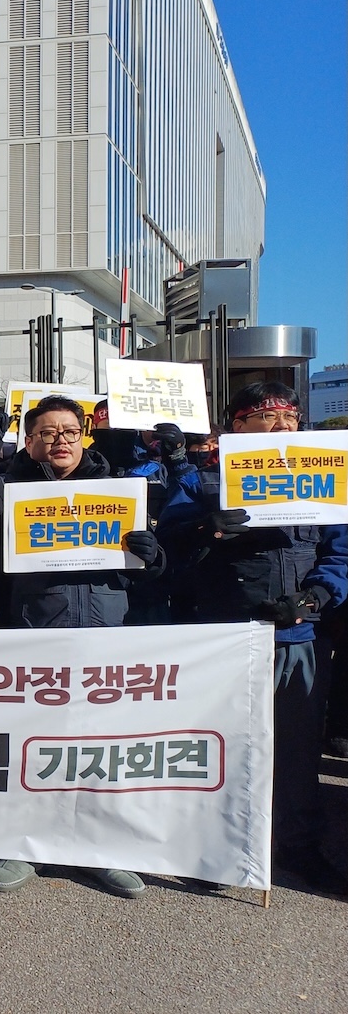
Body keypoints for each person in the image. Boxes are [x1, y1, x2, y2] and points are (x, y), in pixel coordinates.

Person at [0, 396, 165, 899]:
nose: (59, 441)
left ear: (83, 434)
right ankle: (21, 844)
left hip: (103, 638)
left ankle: (99, 850)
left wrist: (153, 557)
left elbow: (151, 572)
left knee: (100, 750)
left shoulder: (118, 489)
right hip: (34, 638)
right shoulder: (12, 489)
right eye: (46, 433)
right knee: (33, 745)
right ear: (29, 441)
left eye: (68, 431)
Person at [156, 382, 348, 895]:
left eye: (291, 415)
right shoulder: (201, 481)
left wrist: (316, 598)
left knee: (296, 749)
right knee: (216, 745)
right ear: (237, 426)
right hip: (222, 637)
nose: (283, 424)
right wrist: (204, 527)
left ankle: (296, 844)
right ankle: (212, 842)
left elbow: (341, 551)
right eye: (267, 414)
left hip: (298, 636)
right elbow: (166, 549)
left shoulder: (325, 475)